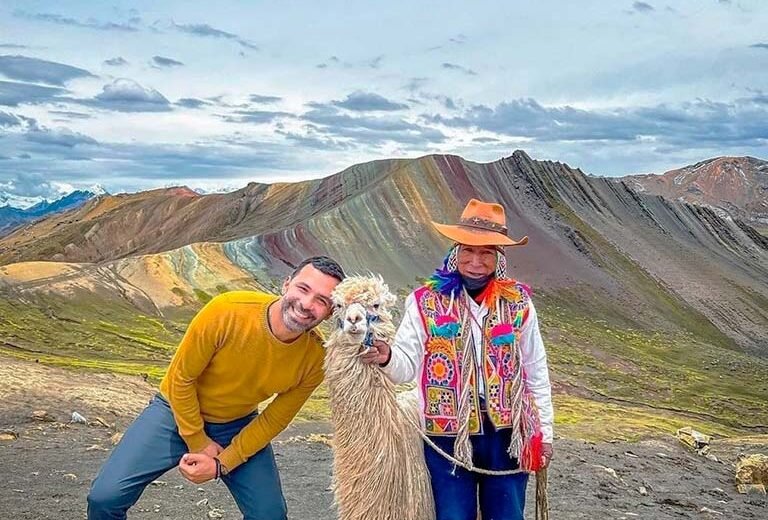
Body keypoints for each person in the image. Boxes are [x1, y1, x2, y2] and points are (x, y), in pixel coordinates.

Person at [87, 256, 345, 520]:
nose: (306, 304)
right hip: (174, 412)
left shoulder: (316, 357)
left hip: (237, 423)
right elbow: (181, 378)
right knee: (105, 498)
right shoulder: (226, 311)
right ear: (286, 284)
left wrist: (222, 463)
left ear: (330, 312)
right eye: (303, 289)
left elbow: (274, 420)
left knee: (270, 515)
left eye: (321, 301)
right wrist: (197, 440)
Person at [363, 199, 554, 520]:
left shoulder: (519, 303)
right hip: (447, 431)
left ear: (498, 257)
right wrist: (388, 357)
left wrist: (544, 435)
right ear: (455, 251)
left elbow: (535, 369)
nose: (476, 261)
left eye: (486, 253)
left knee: (507, 514)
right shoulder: (424, 302)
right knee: (453, 515)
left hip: (507, 432)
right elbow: (407, 365)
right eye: (468, 250)